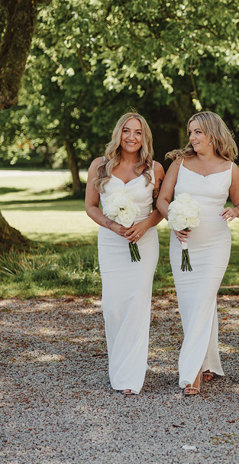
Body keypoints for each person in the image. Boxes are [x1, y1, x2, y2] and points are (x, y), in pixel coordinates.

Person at [156, 111, 239, 396]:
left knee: (205, 299)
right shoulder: (180, 164)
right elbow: (162, 199)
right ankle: (207, 361)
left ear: (213, 133)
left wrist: (236, 210)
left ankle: (192, 370)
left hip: (216, 245)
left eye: (198, 132)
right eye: (191, 132)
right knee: (190, 304)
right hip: (183, 245)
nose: (192, 138)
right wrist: (172, 221)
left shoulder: (230, 168)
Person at [85, 112, 164, 395]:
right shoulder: (100, 166)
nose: (132, 137)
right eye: (127, 131)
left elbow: (161, 208)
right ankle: (117, 365)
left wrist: (144, 225)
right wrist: (112, 226)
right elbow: (91, 206)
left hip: (144, 242)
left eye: (138, 132)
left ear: (145, 138)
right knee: (113, 306)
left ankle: (130, 376)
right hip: (111, 243)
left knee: (137, 305)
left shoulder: (154, 169)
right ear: (118, 133)